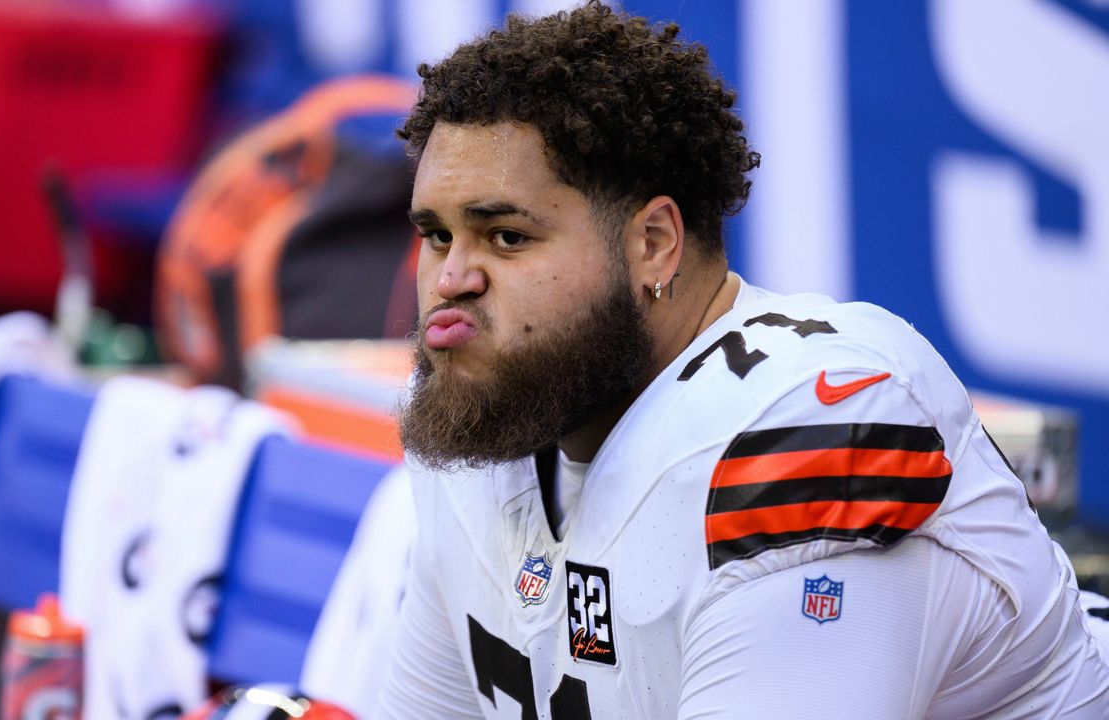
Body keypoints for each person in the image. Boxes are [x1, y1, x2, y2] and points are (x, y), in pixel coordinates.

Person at [375, 2, 1109, 718]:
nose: (451, 279)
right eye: (437, 236)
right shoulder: (487, 411)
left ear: (654, 243)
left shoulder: (812, 426)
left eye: (505, 236)